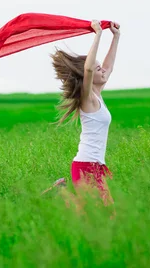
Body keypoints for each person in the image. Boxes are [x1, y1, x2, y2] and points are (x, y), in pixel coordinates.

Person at [48, 20, 120, 206]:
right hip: (86, 166)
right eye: (98, 69)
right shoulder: (87, 98)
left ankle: (60, 191)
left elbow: (109, 67)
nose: (102, 70)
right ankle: (60, 193)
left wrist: (116, 37)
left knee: (98, 214)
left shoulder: (97, 94)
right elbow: (88, 68)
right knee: (101, 215)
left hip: (94, 165)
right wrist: (97, 34)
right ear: (88, 76)